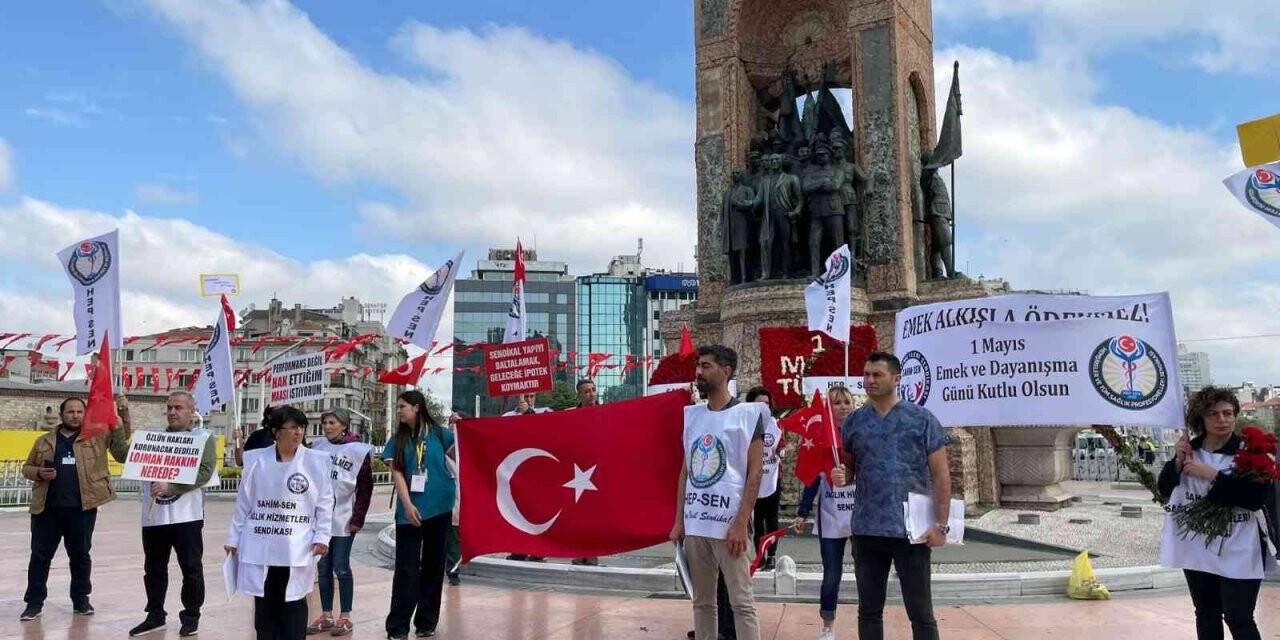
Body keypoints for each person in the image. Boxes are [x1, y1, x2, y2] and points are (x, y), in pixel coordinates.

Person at [831, 352, 950, 640]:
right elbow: (849, 471)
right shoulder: (854, 423)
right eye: (867, 374)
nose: (869, 380)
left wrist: (941, 524)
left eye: (877, 375)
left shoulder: (921, 419)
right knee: (869, 610)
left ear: (896, 379)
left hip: (912, 531)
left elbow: (941, 475)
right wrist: (841, 477)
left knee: (921, 612)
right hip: (867, 529)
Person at [1159, 386, 1273, 640]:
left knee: (1238, 615)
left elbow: (1254, 499)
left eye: (1228, 413)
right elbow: (1164, 488)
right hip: (1197, 544)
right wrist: (1177, 462)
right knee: (1206, 612)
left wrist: (1211, 475)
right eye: (1213, 414)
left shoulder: (1251, 452)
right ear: (1201, 418)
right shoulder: (1189, 450)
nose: (1222, 420)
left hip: (1241, 544)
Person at [671, 345, 765, 640]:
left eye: (707, 366)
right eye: (698, 365)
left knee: (741, 603)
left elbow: (755, 472)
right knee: (702, 603)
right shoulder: (693, 416)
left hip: (729, 526)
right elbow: (686, 470)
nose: (699, 372)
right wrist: (679, 521)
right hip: (697, 524)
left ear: (725, 372)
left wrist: (741, 522)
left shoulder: (748, 415)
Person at [21, 395, 132, 622]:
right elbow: (26, 468)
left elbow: (122, 449)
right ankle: (34, 603)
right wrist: (39, 473)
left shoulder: (96, 438)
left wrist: (123, 412)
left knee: (80, 557)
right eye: (70, 412)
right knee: (40, 558)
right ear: (61, 415)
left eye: (79, 412)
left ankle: (81, 600)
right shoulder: (44, 441)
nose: (75, 415)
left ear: (85, 414)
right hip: (46, 510)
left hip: (82, 509)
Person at [226, 405, 333, 640]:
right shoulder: (255, 460)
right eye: (292, 427)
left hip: (296, 545)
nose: (298, 432)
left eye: (301, 427)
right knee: (264, 601)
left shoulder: (316, 462)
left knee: (293, 601)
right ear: (276, 431)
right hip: (261, 543)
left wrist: (322, 536)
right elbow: (244, 503)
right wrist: (233, 538)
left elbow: (324, 504)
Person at [128, 391, 218, 638]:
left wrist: (172, 487)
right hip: (154, 516)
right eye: (169, 407)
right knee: (154, 568)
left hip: (186, 517)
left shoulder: (202, 438)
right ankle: (155, 614)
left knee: (191, 568)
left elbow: (206, 473)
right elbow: (125, 457)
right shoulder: (153, 438)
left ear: (191, 411)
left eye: (178, 407)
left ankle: (191, 616)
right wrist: (122, 417)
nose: (172, 412)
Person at [384, 390, 457, 640]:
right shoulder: (398, 440)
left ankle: (426, 622)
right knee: (406, 569)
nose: (398, 410)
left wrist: (461, 430)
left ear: (416, 407)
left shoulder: (440, 434)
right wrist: (407, 504)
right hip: (410, 513)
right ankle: (398, 626)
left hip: (440, 508)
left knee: (434, 567)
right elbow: (397, 474)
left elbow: (463, 457)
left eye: (402, 406)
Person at [794, 385, 859, 640]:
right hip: (831, 513)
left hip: (859, 514)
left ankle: (869, 621)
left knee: (867, 571)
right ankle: (827, 626)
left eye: (847, 402)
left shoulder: (860, 433)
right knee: (832, 572)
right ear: (828, 408)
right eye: (837, 403)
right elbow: (812, 480)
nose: (843, 406)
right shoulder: (820, 438)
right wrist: (802, 511)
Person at [307, 409, 374, 637]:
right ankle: (326, 614)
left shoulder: (358, 450)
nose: (327, 426)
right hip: (321, 519)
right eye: (324, 422)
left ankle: (345, 616)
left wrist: (358, 518)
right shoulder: (317, 447)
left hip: (344, 517)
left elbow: (365, 487)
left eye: (332, 422)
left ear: (343, 425)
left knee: (341, 566)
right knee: (322, 568)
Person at [748, 386, 786, 571]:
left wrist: (782, 451)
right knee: (757, 520)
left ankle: (771, 555)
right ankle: (759, 555)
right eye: (759, 403)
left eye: (766, 403)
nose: (764, 407)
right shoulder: (746, 422)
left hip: (772, 477)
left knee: (772, 519)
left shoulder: (775, 424)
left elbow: (781, 444)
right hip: (753, 479)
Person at [571, 379, 601, 566]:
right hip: (577, 473)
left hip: (597, 472)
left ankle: (592, 552)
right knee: (578, 515)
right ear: (579, 395)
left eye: (593, 390)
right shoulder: (571, 416)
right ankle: (578, 551)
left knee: (596, 516)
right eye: (587, 391)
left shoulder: (606, 413)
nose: (591, 394)